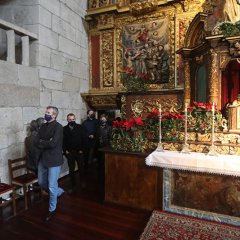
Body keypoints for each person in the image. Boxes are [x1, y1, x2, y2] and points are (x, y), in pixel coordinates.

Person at [35, 106, 64, 221]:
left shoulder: (59, 127)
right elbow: (36, 141)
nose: (46, 114)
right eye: (46, 112)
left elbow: (53, 143)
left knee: (51, 186)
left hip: (54, 160)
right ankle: (59, 191)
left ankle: (52, 209)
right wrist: (45, 141)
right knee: (42, 182)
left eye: (48, 112)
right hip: (43, 158)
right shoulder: (42, 126)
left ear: (54, 115)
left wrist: (43, 141)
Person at [63, 113, 86, 192]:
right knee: (71, 169)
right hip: (70, 153)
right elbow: (62, 141)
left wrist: (82, 149)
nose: (71, 121)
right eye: (70, 119)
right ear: (67, 120)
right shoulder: (64, 129)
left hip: (79, 152)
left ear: (75, 119)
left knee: (81, 168)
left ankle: (82, 181)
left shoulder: (80, 127)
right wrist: (65, 151)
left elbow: (84, 139)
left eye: (73, 119)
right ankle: (72, 185)